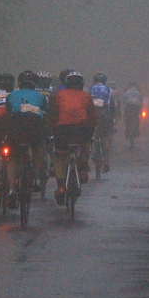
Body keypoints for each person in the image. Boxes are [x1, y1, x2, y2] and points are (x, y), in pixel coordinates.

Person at [48, 71, 97, 205]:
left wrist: (52, 131)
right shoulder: (86, 96)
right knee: (85, 144)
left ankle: (61, 186)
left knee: (59, 155)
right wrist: (90, 133)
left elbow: (53, 116)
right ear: (81, 84)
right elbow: (92, 118)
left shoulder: (59, 95)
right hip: (81, 129)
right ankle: (82, 169)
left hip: (62, 130)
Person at [6, 70, 48, 203]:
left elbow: (8, 113)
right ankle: (35, 177)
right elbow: (46, 113)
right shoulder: (41, 96)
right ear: (35, 84)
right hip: (34, 124)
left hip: (16, 124)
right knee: (38, 147)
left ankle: (11, 189)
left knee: (12, 156)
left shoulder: (12, 95)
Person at [88, 72, 116, 173]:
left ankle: (87, 159)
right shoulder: (109, 90)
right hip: (105, 116)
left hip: (92, 116)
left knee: (90, 137)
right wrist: (112, 120)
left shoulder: (90, 89)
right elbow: (112, 106)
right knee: (104, 137)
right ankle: (106, 160)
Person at [122, 81, 144, 148]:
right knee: (136, 119)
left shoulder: (126, 92)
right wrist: (140, 111)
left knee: (126, 119)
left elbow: (124, 102)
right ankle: (136, 130)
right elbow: (141, 102)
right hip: (136, 107)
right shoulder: (139, 93)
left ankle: (127, 130)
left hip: (128, 107)